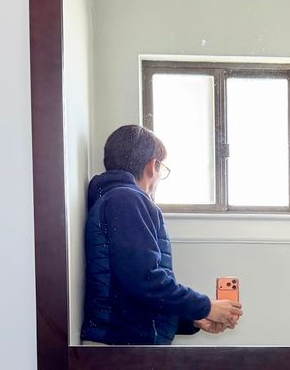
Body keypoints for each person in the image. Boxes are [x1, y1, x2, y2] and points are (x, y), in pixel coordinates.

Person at [81, 125, 242, 346]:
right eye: (161, 169)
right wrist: (205, 307)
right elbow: (144, 279)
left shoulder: (115, 199)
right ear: (152, 165)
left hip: (120, 343)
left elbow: (132, 293)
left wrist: (193, 320)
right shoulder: (127, 200)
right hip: (122, 346)